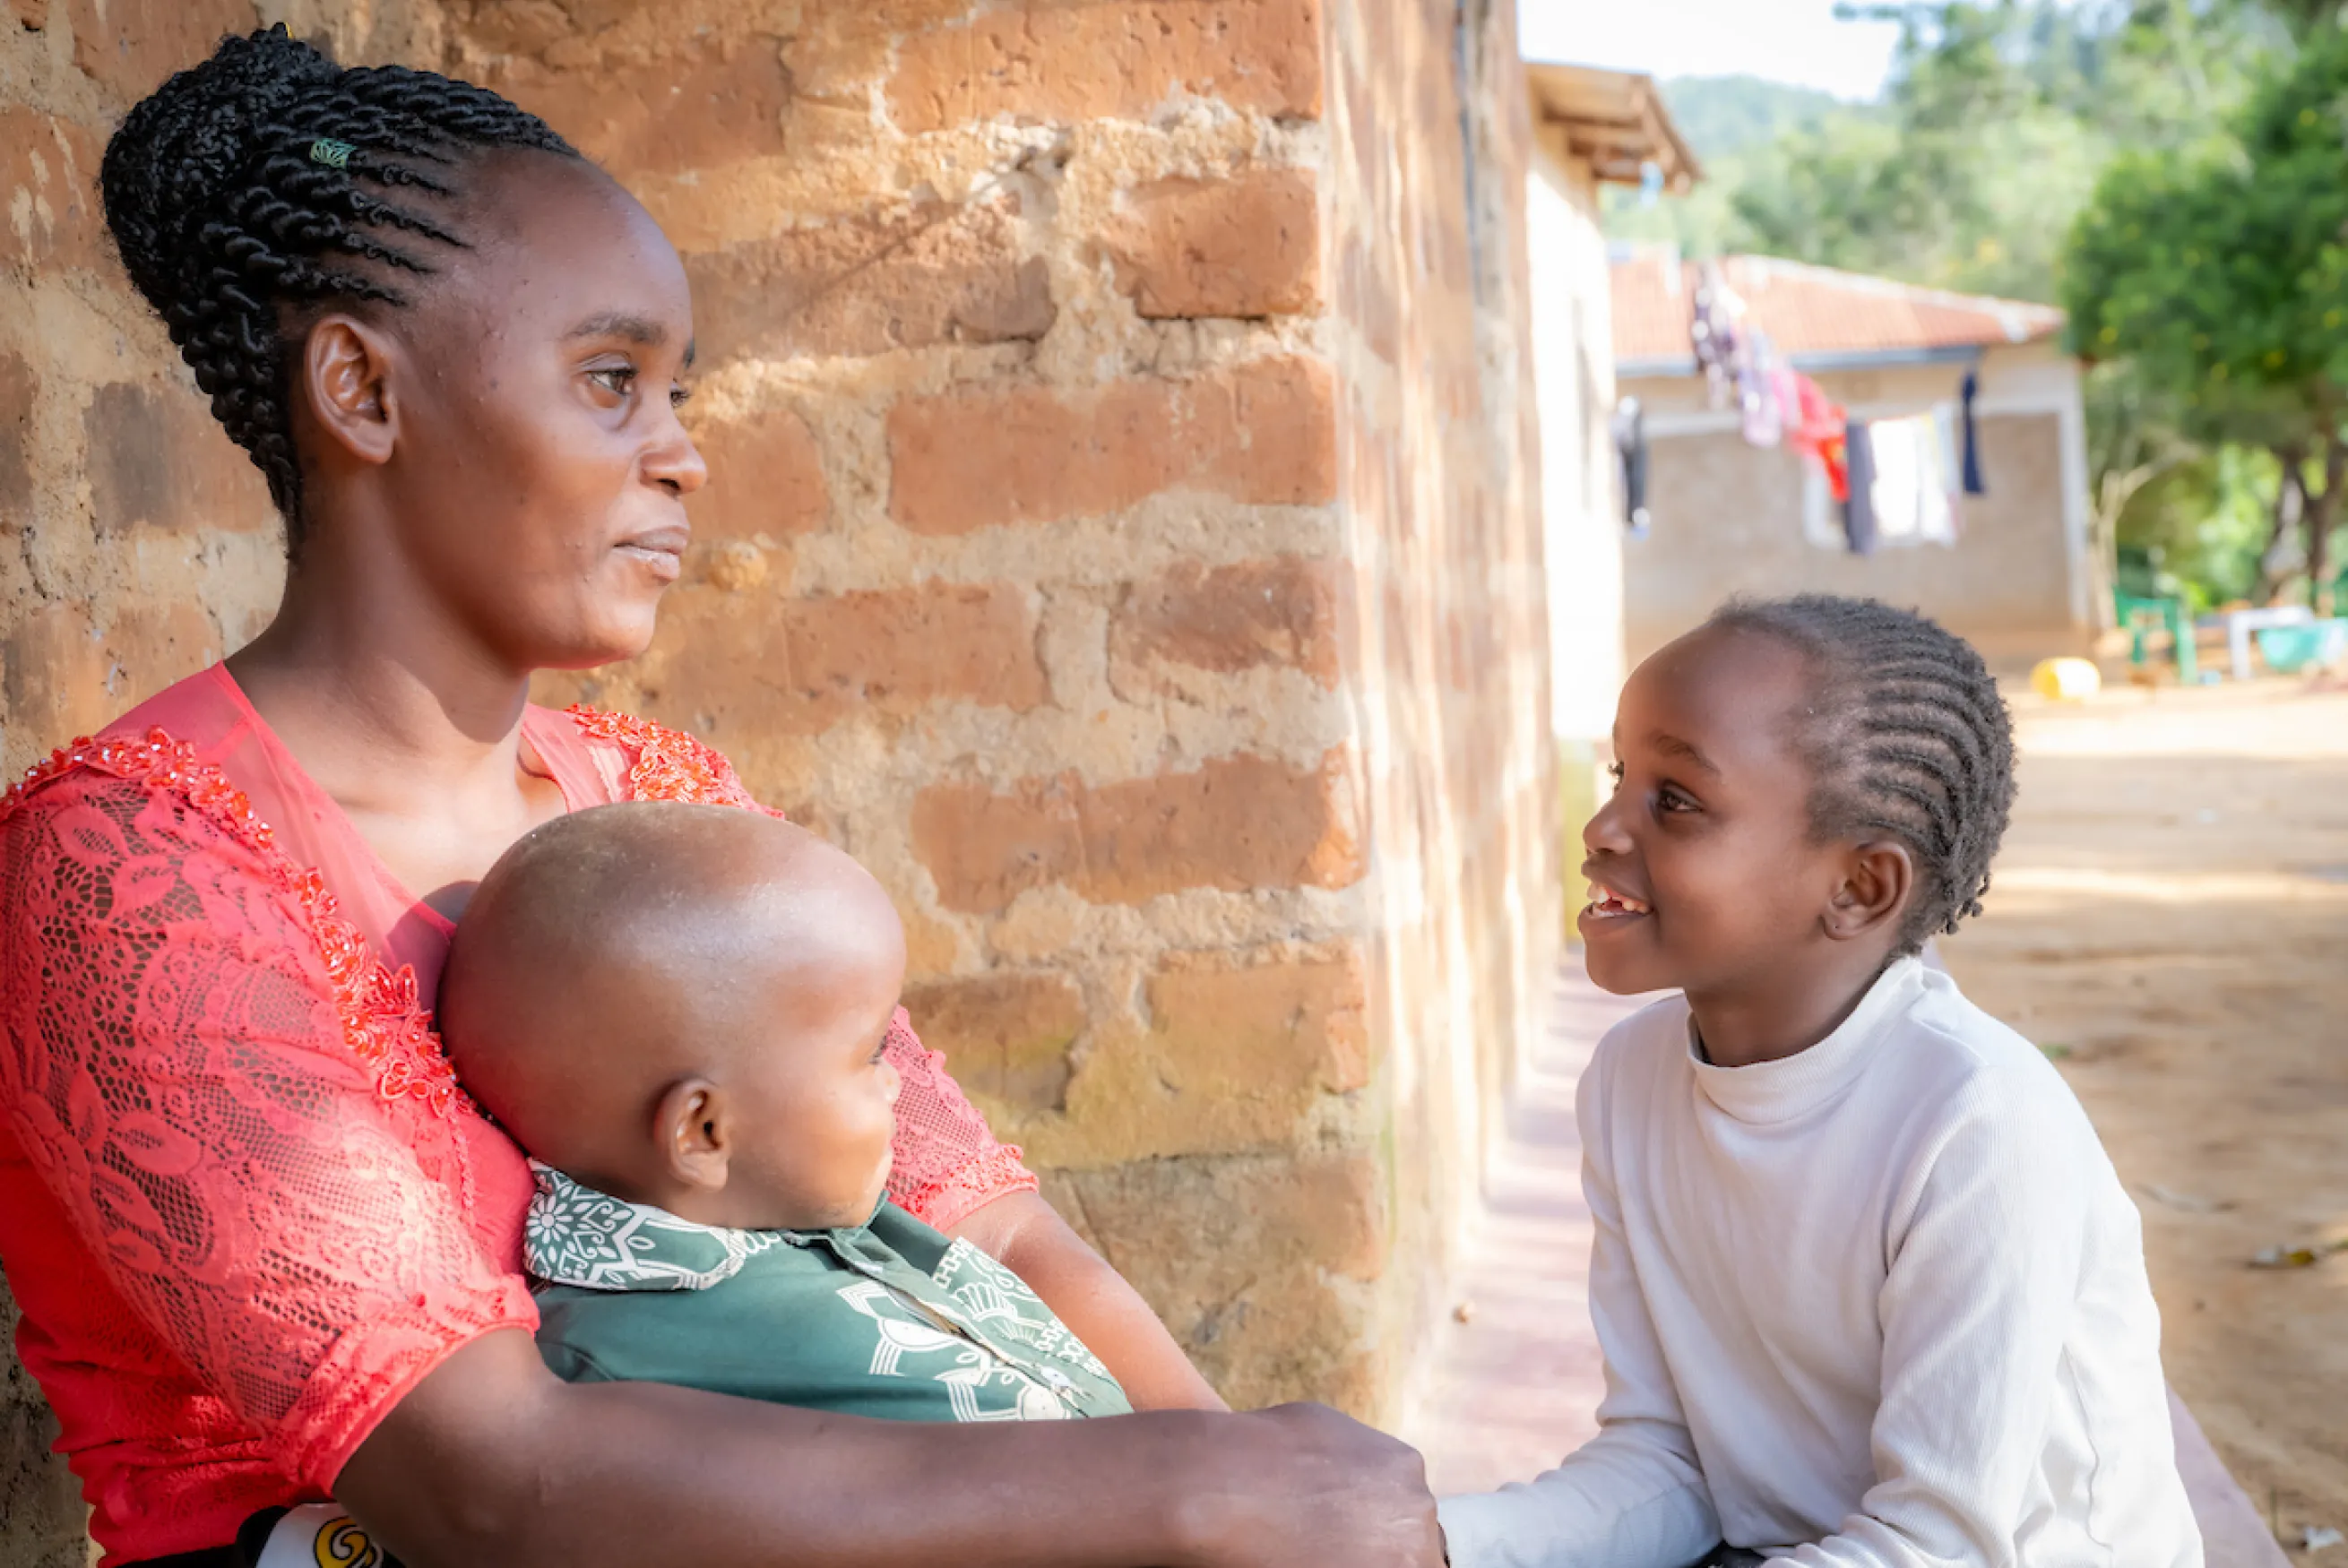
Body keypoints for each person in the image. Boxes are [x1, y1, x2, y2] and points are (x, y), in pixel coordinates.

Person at [0, 26, 1441, 1568]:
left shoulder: (656, 800)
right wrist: (1196, 1499)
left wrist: (1240, 1490)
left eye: (678, 391)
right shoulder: (135, 871)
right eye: (613, 380)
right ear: (362, 388)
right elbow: (489, 1482)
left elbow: (981, 1222)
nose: (681, 455)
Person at [1437, 596, 2200, 1568]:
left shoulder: (1978, 1123)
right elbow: (1668, 1461)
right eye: (1621, 774)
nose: (1601, 826)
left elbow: (1937, 1544)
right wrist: (1432, 1544)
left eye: (1673, 799)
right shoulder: (1627, 1083)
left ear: (1858, 887)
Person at [440, 803, 1130, 1425]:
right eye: (871, 1055)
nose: (897, 1083)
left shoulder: (820, 1214)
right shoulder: (636, 1381)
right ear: (704, 1133)